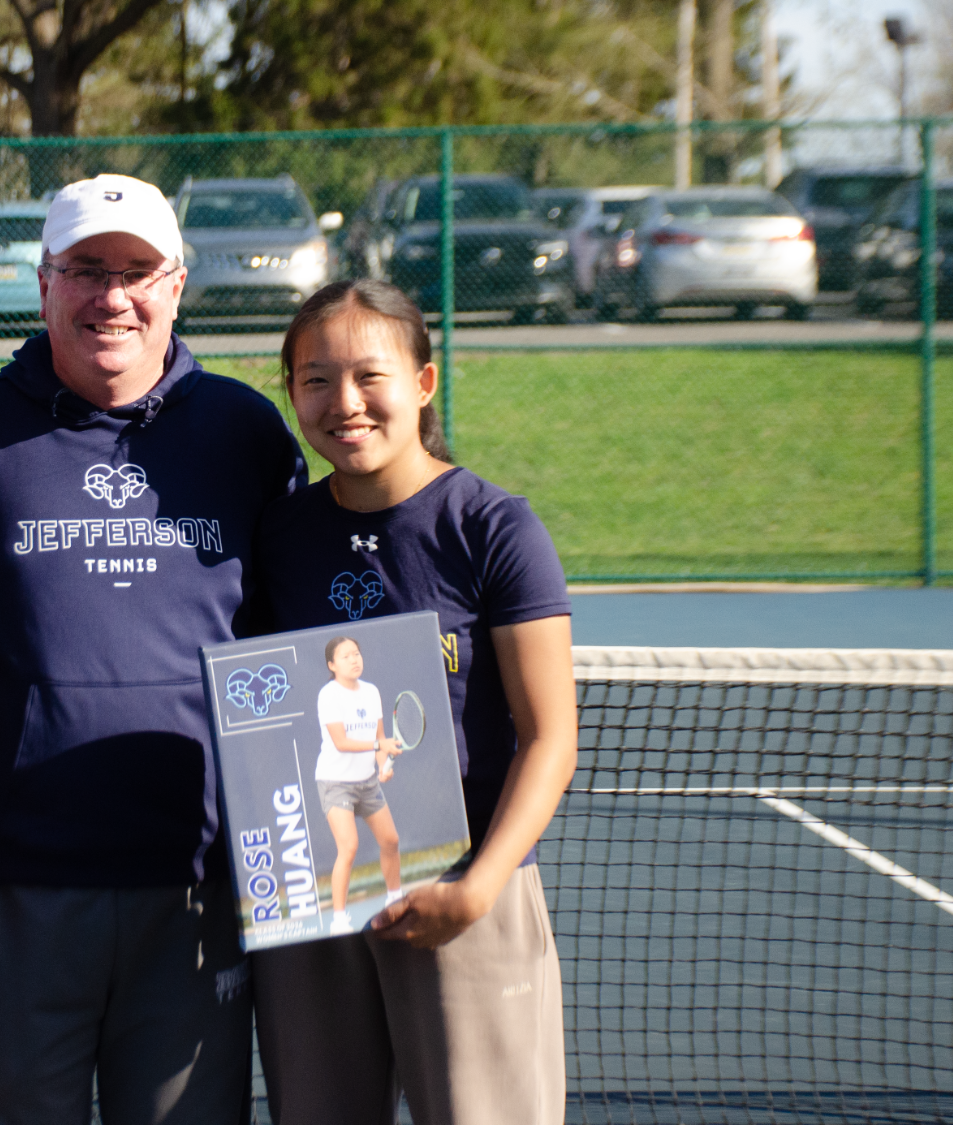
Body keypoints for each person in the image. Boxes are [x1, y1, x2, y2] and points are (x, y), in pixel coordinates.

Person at [0, 174, 306, 1125]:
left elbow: (296, 645)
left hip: (198, 890)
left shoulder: (246, 432)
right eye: (87, 269)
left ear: (177, 285)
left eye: (137, 271)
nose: (112, 296)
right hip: (13, 891)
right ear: (44, 282)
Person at [249, 279, 578, 1125]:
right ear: (290, 391)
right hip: (315, 899)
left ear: (424, 384)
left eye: (370, 376)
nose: (344, 403)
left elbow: (550, 739)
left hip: (466, 895)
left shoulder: (494, 527)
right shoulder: (278, 537)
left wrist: (477, 887)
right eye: (315, 379)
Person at [314, 634, 405, 936]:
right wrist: (380, 743)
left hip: (366, 782)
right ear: (332, 664)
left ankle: (395, 897)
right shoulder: (328, 695)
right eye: (345, 656)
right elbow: (341, 742)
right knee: (349, 847)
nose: (354, 659)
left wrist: (383, 765)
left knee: (390, 840)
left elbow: (379, 742)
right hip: (334, 782)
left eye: (357, 653)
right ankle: (339, 918)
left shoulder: (372, 692)